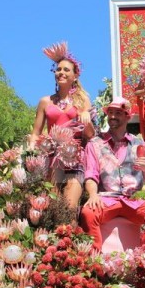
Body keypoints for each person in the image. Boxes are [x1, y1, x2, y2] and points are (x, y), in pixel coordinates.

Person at [79, 97, 145, 251]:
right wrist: (93, 195)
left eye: (118, 113)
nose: (112, 116)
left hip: (134, 200)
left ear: (128, 116)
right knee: (88, 213)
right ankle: (94, 261)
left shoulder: (140, 145)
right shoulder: (95, 144)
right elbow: (91, 175)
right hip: (107, 198)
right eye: (110, 112)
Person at [30, 41, 95, 211]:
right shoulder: (45, 101)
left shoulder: (83, 101)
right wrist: (29, 151)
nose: (61, 72)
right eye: (58, 69)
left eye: (66, 70)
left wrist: (86, 119)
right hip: (51, 157)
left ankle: (70, 234)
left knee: (70, 206)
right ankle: (58, 236)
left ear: (75, 76)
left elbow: (90, 135)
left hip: (75, 157)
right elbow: (36, 133)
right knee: (53, 204)